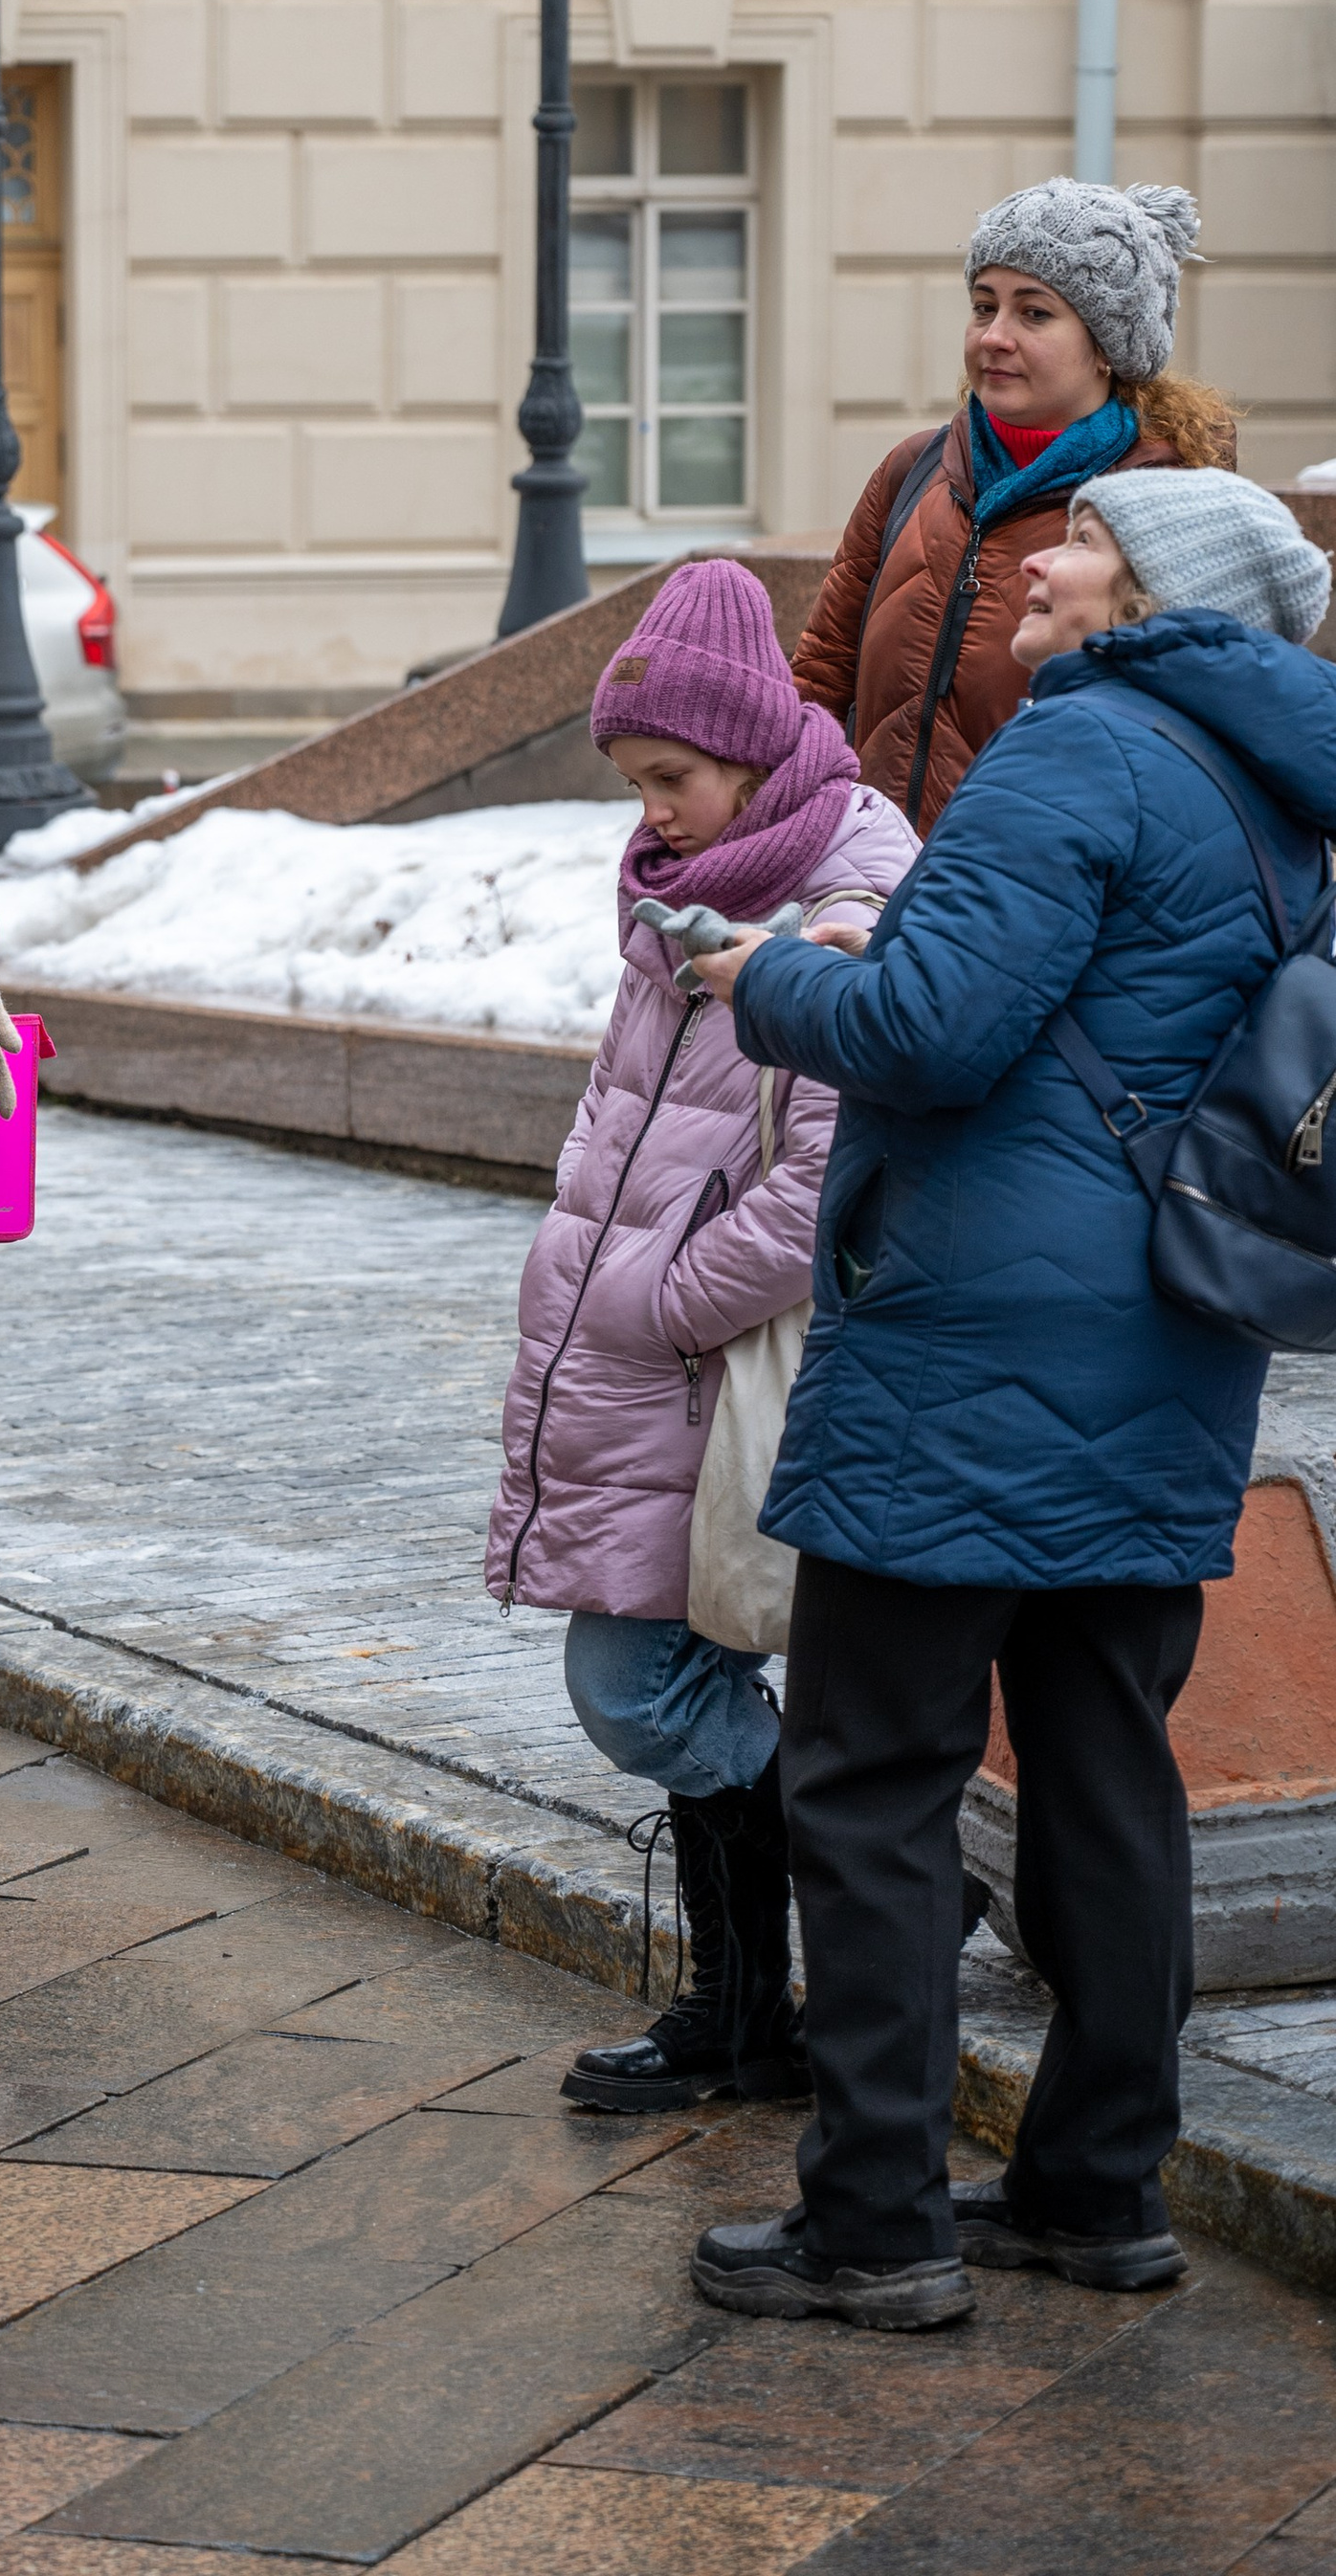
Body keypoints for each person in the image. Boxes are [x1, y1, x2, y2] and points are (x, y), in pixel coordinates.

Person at [684, 468, 1336, 2331]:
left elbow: (927, 1027)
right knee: (1103, 1764)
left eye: (1079, 544)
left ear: (1146, 590)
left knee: (871, 1771)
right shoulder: (1281, 790)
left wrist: (778, 979)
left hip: (977, 1332)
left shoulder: (1082, 747)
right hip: (1167, 1331)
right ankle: (1089, 2186)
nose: (1034, 558)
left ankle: (870, 2218)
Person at [486, 560, 916, 2112]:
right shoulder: (689, 889)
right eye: (636, 781)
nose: (650, 808)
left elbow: (827, 1180)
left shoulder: (836, 901)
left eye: (670, 777)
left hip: (711, 1364)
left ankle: (796, 1975)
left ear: (746, 751)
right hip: (649, 1362)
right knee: (674, 1665)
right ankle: (747, 2007)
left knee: (645, 1681)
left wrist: (656, 1296)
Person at [794, 179, 1236, 833]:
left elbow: (1189, 751)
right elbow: (822, 674)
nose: (994, 336)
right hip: (870, 887)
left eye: (1034, 313)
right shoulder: (913, 470)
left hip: (1037, 898)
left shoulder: (1164, 508)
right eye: (983, 306)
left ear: (1108, 351)